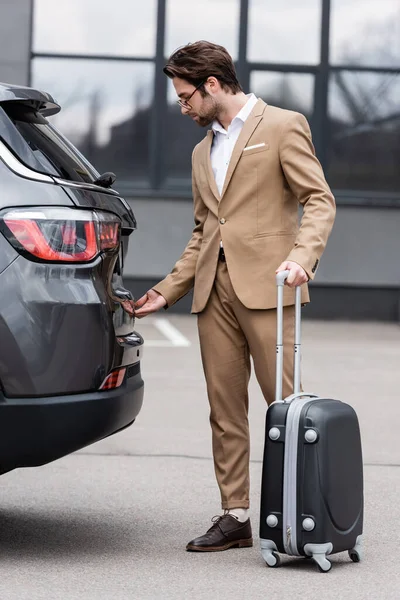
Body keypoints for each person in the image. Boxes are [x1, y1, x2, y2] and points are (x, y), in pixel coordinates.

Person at [135, 40, 336, 552]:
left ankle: (303, 513)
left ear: (212, 85)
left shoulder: (283, 125)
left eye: (186, 97)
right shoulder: (202, 152)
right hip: (213, 293)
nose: (182, 107)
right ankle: (236, 515)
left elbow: (318, 199)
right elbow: (204, 231)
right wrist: (167, 290)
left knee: (285, 409)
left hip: (272, 287)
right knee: (224, 410)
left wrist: (302, 258)